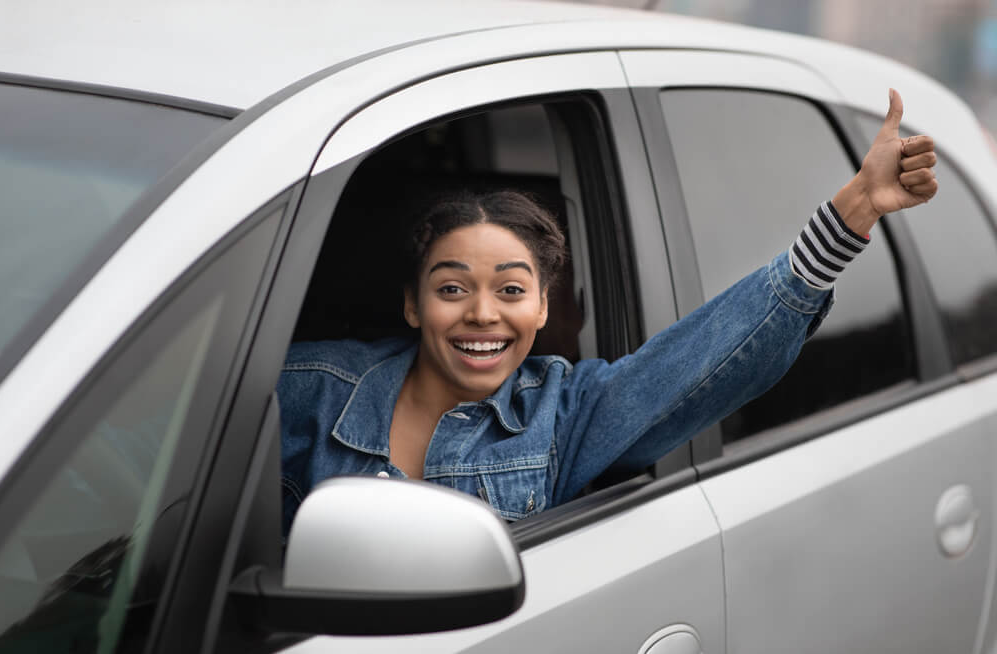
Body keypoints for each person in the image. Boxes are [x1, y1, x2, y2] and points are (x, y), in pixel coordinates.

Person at [278, 89, 938, 533]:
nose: (483, 314)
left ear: (542, 311)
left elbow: (712, 359)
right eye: (452, 288)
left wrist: (852, 214)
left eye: (512, 291)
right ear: (412, 306)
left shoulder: (563, 414)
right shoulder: (310, 388)